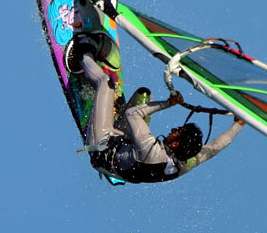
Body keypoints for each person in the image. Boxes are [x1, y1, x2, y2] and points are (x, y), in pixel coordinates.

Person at [67, 33, 244, 183]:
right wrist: (239, 124)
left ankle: (81, 53)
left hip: (101, 146)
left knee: (106, 83)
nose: (174, 128)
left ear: (175, 143)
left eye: (178, 131)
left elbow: (132, 113)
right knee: (144, 95)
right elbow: (213, 149)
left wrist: (169, 103)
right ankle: (110, 115)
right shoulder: (183, 164)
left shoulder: (151, 150)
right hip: (123, 151)